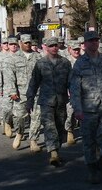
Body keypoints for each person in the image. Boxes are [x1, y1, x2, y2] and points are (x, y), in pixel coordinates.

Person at [69, 31, 102, 184]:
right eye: (91, 41)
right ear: (85, 44)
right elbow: (75, 88)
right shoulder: (80, 63)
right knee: (89, 142)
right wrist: (77, 109)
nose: (94, 43)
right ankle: (92, 169)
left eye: (96, 40)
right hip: (87, 109)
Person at [26, 36, 72, 166]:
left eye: (56, 45)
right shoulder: (41, 63)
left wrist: (75, 95)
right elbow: (33, 83)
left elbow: (71, 81)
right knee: (49, 126)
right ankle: (53, 153)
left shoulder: (65, 63)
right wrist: (30, 99)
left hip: (61, 100)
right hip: (46, 101)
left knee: (60, 127)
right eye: (51, 46)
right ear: (46, 47)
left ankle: (57, 150)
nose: (54, 48)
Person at [4, 34, 42, 150]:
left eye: (29, 42)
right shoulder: (14, 58)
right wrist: (12, 91)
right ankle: (19, 133)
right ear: (20, 43)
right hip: (21, 93)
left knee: (36, 118)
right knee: (19, 117)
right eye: (25, 43)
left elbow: (44, 75)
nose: (28, 44)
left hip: (37, 93)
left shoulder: (38, 57)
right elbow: (9, 76)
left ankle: (33, 140)